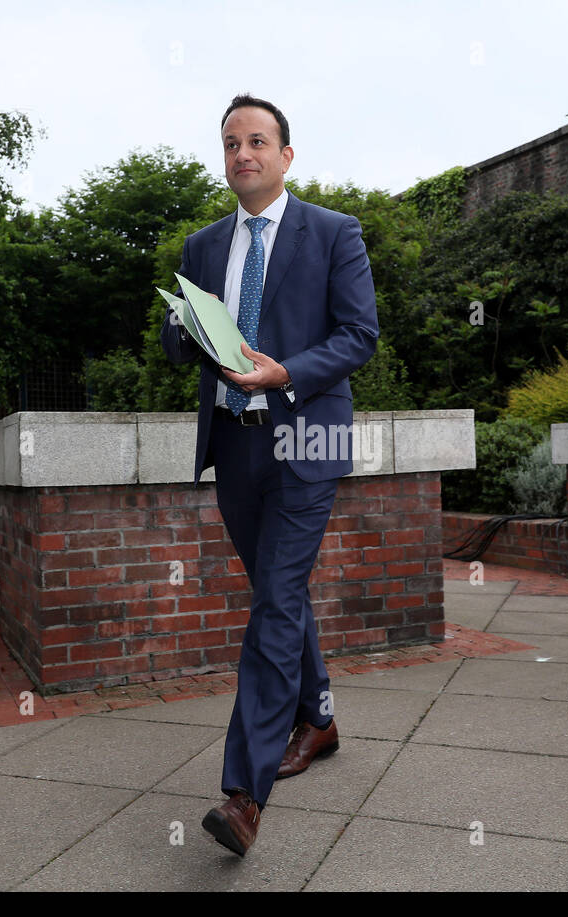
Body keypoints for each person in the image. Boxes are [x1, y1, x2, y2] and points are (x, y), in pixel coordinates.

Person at [158, 93, 379, 856]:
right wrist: (183, 327)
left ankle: (244, 792)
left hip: (306, 437)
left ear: (286, 155)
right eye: (230, 143)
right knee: (276, 592)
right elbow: (174, 343)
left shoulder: (334, 233)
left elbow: (359, 335)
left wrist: (288, 371)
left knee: (278, 597)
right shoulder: (201, 244)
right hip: (235, 443)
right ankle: (317, 718)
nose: (242, 153)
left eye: (257, 141)